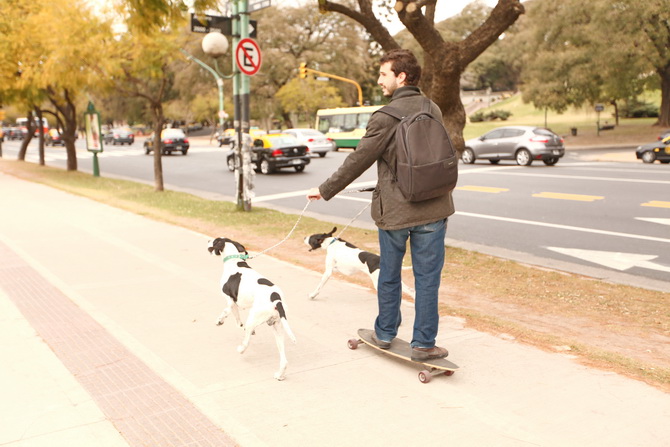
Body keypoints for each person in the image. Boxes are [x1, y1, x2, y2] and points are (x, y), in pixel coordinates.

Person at [306, 49, 455, 361]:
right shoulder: (433, 108)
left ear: (401, 77)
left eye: (384, 74)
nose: (379, 80)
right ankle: (424, 344)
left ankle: (385, 334)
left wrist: (325, 189)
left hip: (396, 213)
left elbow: (358, 159)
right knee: (428, 281)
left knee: (389, 274)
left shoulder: (385, 116)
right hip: (435, 209)